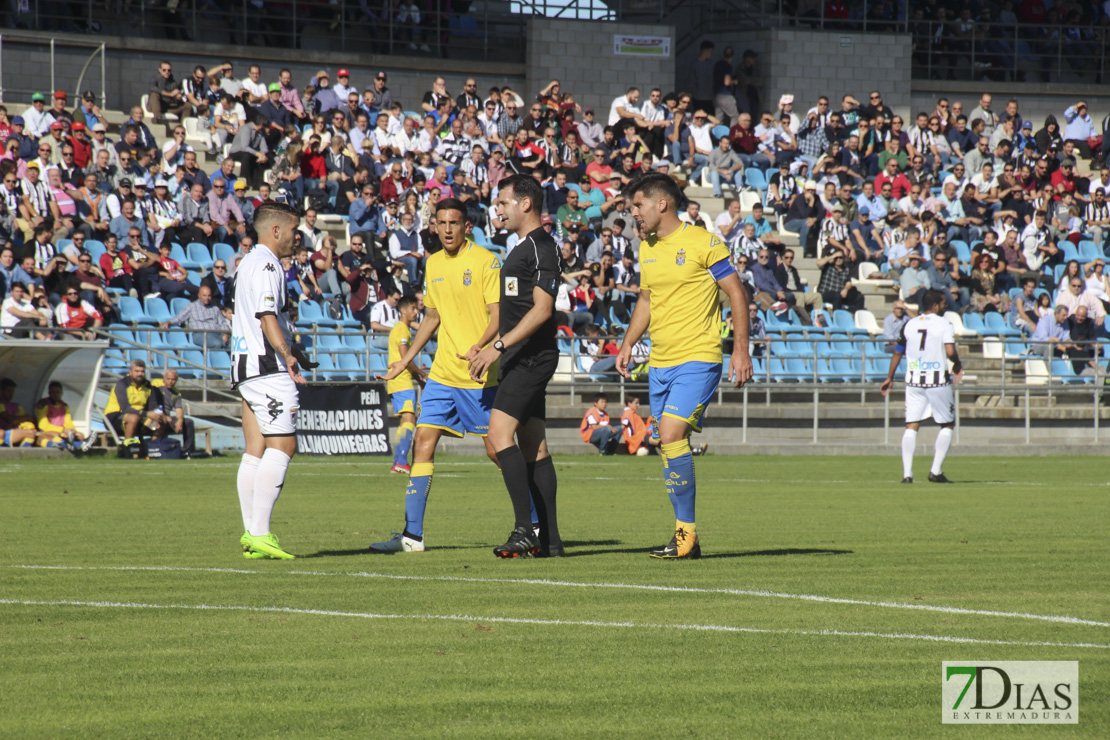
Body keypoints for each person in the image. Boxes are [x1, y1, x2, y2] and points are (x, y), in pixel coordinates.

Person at [613, 173, 753, 559]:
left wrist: (740, 350)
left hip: (699, 357)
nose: (633, 213)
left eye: (637, 206)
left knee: (672, 433)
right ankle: (685, 539)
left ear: (662, 204)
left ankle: (686, 535)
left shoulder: (704, 243)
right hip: (660, 362)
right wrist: (628, 343)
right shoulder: (647, 248)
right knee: (668, 445)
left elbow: (736, 294)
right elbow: (646, 300)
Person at [372, 198, 502, 554]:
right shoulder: (432, 264)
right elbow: (431, 318)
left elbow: (498, 315)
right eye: (441, 223)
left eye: (454, 223)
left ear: (467, 227)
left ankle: (534, 522)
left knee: (497, 450)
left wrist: (480, 346)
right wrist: (405, 361)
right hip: (444, 373)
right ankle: (412, 536)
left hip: (479, 375)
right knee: (423, 442)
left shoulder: (487, 261)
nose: (447, 229)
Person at [467, 175, 563, 559]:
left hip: (531, 356)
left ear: (525, 204)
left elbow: (543, 310)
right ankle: (551, 541)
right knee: (534, 446)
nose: (498, 209)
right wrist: (489, 345)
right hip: (518, 356)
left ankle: (525, 529)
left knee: (497, 435)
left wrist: (499, 346)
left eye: (504, 202)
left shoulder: (543, 247)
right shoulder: (521, 248)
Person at [231, 202, 312, 561]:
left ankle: (252, 535)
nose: (297, 238)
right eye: (295, 231)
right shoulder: (267, 264)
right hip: (267, 367)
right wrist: (287, 354)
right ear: (276, 230)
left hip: (245, 365)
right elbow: (266, 314)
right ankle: (261, 532)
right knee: (283, 446)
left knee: (255, 450)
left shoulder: (247, 261)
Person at [880, 290, 962, 484]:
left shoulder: (910, 324)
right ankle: (935, 471)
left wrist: (889, 377)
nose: (946, 306)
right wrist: (957, 364)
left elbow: (898, 352)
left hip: (914, 381)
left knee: (912, 425)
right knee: (947, 424)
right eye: (943, 303)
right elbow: (950, 351)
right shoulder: (944, 324)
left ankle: (907, 474)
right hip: (937, 381)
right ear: (935, 306)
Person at [385, 295, 427, 475]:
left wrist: (418, 379)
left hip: (400, 381)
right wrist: (422, 374)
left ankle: (398, 463)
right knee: (410, 420)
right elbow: (405, 359)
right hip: (401, 381)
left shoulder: (401, 330)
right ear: (403, 311)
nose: (416, 312)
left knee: (405, 421)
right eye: (413, 309)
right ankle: (402, 461)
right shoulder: (402, 331)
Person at [103, 359, 161, 454]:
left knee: (161, 420)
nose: (140, 374)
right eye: (137, 371)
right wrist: (147, 414)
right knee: (133, 418)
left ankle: (154, 450)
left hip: (139, 415)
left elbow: (153, 406)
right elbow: (125, 408)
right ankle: (127, 449)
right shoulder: (122, 385)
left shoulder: (148, 386)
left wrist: (156, 415)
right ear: (130, 372)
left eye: (142, 371)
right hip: (114, 416)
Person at [150, 369, 196, 457]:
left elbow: (179, 408)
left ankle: (187, 452)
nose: (171, 382)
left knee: (189, 422)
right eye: (168, 379)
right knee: (161, 420)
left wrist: (180, 420)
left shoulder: (176, 393)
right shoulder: (156, 385)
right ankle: (154, 449)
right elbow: (152, 404)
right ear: (164, 378)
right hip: (154, 416)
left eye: (173, 379)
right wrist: (163, 416)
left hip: (168, 418)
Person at [34, 381, 90, 450]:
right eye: (53, 392)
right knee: (55, 435)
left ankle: (81, 444)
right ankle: (77, 445)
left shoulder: (65, 406)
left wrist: (72, 431)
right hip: (47, 432)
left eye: (58, 392)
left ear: (62, 393)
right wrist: (63, 430)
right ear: (49, 393)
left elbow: (68, 423)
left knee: (80, 435)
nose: (56, 395)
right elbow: (43, 425)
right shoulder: (43, 404)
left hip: (62, 432)